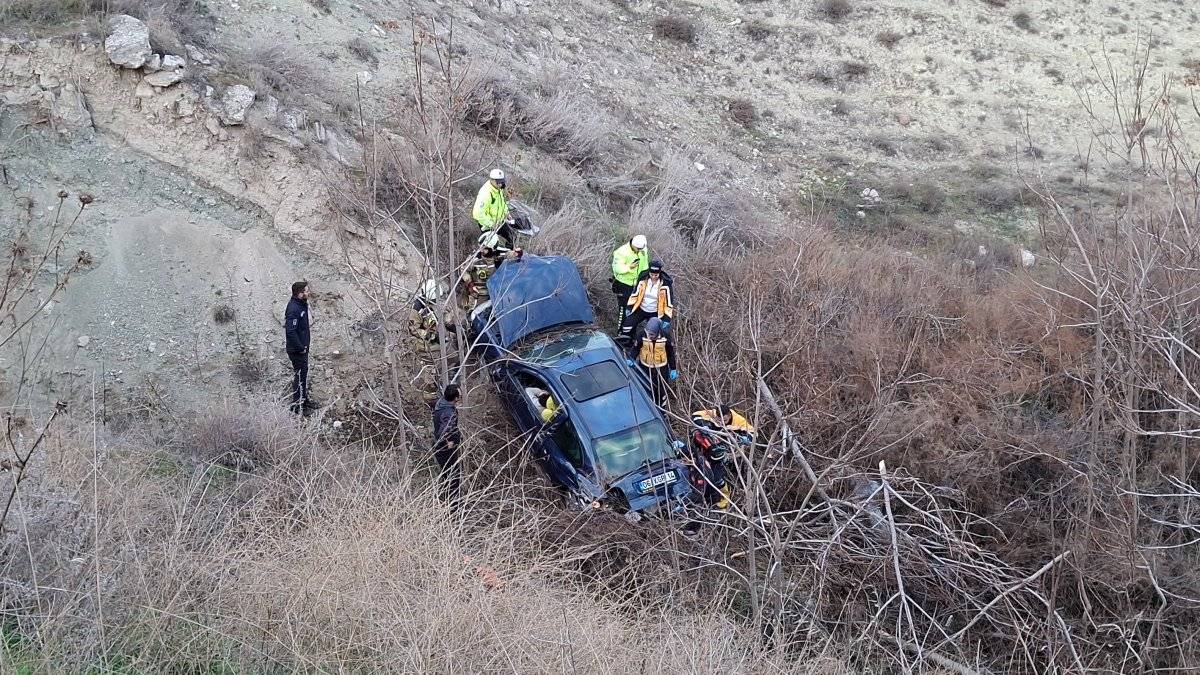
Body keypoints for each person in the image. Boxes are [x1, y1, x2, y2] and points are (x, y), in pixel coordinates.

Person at [689, 406, 756, 510]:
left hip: (730, 449)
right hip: (711, 445)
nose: (722, 423)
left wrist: (743, 438)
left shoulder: (738, 421)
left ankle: (727, 496)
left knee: (722, 475)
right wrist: (704, 426)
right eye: (719, 420)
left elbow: (753, 434)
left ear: (729, 415)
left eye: (724, 420)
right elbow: (695, 416)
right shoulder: (711, 413)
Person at [625, 317, 677, 408]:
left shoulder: (665, 336)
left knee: (661, 391)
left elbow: (670, 354)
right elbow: (636, 348)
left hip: (661, 368)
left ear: (658, 331)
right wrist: (631, 358)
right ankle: (647, 407)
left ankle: (661, 410)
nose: (650, 336)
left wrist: (673, 368)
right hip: (645, 367)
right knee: (646, 388)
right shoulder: (642, 335)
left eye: (652, 334)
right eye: (648, 333)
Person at [284, 281, 318, 414]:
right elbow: (290, 331)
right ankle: (297, 407)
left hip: (302, 348)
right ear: (299, 293)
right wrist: (300, 347)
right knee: (299, 376)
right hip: (297, 350)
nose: (308, 292)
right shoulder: (294, 308)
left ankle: (304, 401)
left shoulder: (301, 304)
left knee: (302, 375)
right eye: (306, 291)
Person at [620, 259, 674, 341]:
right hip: (640, 309)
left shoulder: (665, 284)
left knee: (654, 331)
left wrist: (666, 318)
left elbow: (669, 302)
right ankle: (627, 343)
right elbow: (635, 294)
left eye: (656, 275)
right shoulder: (643, 279)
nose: (653, 277)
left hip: (655, 312)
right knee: (627, 327)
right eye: (651, 274)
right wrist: (629, 307)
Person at [432, 383, 463, 502]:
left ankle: (446, 502)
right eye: (459, 395)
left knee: (447, 477)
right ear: (455, 398)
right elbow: (443, 431)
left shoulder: (441, 404)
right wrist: (448, 442)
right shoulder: (449, 413)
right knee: (453, 478)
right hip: (446, 450)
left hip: (440, 449)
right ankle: (455, 509)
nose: (460, 397)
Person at [610, 235, 649, 328]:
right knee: (623, 310)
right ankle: (621, 332)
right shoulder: (621, 252)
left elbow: (645, 264)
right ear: (633, 244)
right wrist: (629, 267)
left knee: (635, 309)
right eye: (638, 248)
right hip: (624, 285)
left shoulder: (643, 249)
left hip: (639, 284)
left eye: (641, 248)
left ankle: (631, 332)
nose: (640, 250)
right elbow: (617, 268)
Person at [473, 169, 516, 250]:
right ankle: (489, 259)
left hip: (498, 221)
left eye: (502, 181)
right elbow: (477, 214)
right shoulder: (485, 193)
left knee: (511, 236)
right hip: (487, 224)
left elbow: (501, 202)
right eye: (498, 182)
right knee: (491, 246)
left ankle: (508, 254)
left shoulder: (498, 189)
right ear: (492, 180)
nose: (500, 184)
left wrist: (506, 213)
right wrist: (491, 224)